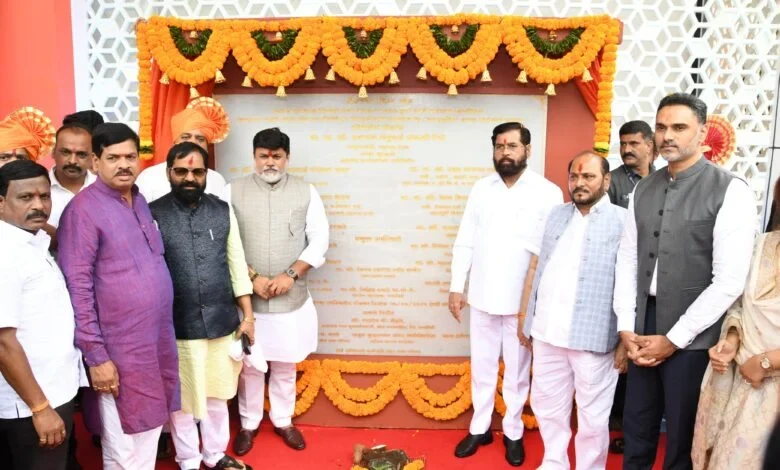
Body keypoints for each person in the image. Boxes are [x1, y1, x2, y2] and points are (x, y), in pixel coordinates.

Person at [613, 93, 756, 469]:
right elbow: (627, 259)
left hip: (695, 334)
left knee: (683, 438)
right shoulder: (644, 188)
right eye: (661, 127)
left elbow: (729, 281)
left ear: (702, 133)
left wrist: (674, 338)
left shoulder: (730, 190)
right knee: (636, 427)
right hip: (643, 325)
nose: (667, 136)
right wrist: (626, 325)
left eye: (679, 127)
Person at [57, 123, 180, 469]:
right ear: (95, 162)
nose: (124, 164)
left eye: (130, 156)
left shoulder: (139, 201)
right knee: (122, 443)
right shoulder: (82, 210)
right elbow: (77, 287)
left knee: (149, 428)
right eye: (113, 158)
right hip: (117, 349)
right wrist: (96, 356)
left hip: (154, 342)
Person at [449, 122, 563, 466]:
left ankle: (513, 431)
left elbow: (551, 252)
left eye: (512, 146)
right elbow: (465, 239)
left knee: (516, 370)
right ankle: (480, 427)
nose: (505, 152)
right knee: (481, 366)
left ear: (528, 150)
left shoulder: (548, 192)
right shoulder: (481, 189)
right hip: (482, 296)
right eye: (500, 146)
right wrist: (457, 286)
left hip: (521, 303)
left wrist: (538, 302)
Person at [149, 142, 255, 470]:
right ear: (169, 173)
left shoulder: (222, 210)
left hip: (222, 321)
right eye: (181, 171)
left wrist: (248, 316)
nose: (189, 178)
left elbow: (237, 263)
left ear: (206, 174)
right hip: (177, 325)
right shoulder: (152, 212)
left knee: (217, 395)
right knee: (183, 401)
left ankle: (215, 454)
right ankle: (188, 460)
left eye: (197, 172)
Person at [519, 151, 626, 469]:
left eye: (588, 176)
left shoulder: (623, 221)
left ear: (606, 180)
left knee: (593, 417)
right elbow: (536, 266)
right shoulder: (555, 215)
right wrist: (526, 318)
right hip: (547, 332)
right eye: (574, 177)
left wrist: (625, 337)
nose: (579, 183)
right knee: (547, 404)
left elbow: (630, 283)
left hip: (593, 337)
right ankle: (554, 461)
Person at [227, 127, 329, 455]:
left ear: (287, 158)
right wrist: (251, 277)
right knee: (250, 366)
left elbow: (320, 240)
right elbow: (225, 242)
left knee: (285, 363)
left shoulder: (305, 191)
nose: (269, 162)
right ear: (254, 157)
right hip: (249, 299)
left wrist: (291, 275)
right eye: (263, 156)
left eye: (276, 156)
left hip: (290, 298)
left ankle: (283, 420)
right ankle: (249, 424)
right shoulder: (232, 191)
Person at [0, 160, 86, 470]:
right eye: (26, 197)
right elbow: (3, 342)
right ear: (1, 203)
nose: (39, 205)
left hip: (53, 391)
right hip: (30, 404)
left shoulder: (33, 241)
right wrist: (40, 408)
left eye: (44, 196)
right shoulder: (6, 254)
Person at [691, 176, 780, 470]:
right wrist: (730, 341)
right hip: (745, 386)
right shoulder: (760, 246)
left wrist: (767, 362)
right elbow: (739, 306)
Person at [136, 97, 228, 203]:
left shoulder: (217, 180)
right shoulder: (149, 177)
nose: (193, 143)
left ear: (207, 146)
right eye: (185, 137)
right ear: (175, 142)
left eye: (200, 139)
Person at [43, 123, 97, 249]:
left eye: (81, 154)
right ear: (53, 152)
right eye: (65, 152)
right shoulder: (36, 190)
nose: (72, 161)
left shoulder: (105, 189)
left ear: (93, 157)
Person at [607, 120, 656, 209]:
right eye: (623, 144)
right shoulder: (610, 182)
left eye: (633, 144)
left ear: (649, 146)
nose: (626, 150)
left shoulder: (662, 179)